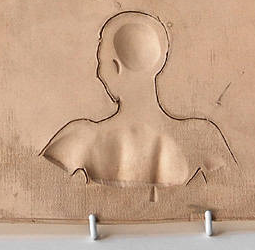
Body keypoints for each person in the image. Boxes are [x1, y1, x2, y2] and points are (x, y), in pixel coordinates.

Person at [40, 11, 236, 185]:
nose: (99, 74)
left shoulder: (80, 139)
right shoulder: (201, 137)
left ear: (116, 67)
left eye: (101, 63)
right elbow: (234, 189)